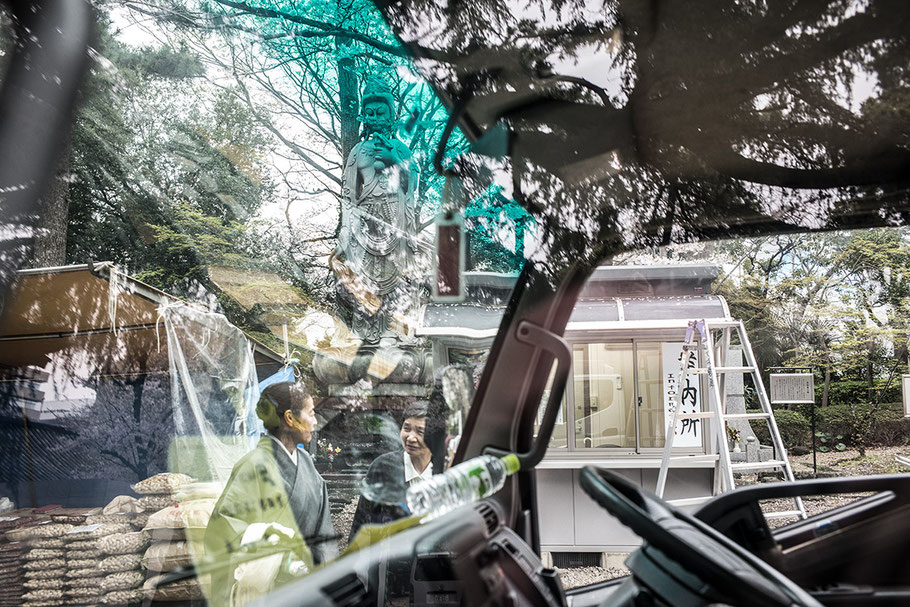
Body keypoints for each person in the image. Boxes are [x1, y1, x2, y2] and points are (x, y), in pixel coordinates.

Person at [204, 382, 336, 606]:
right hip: (267, 591)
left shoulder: (306, 463)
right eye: (311, 413)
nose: (315, 422)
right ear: (289, 418)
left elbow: (324, 529)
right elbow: (222, 531)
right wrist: (281, 557)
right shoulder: (253, 466)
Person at [348, 399, 448, 541]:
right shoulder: (382, 467)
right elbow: (361, 524)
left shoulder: (445, 471)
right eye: (407, 429)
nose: (410, 437)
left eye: (420, 431)